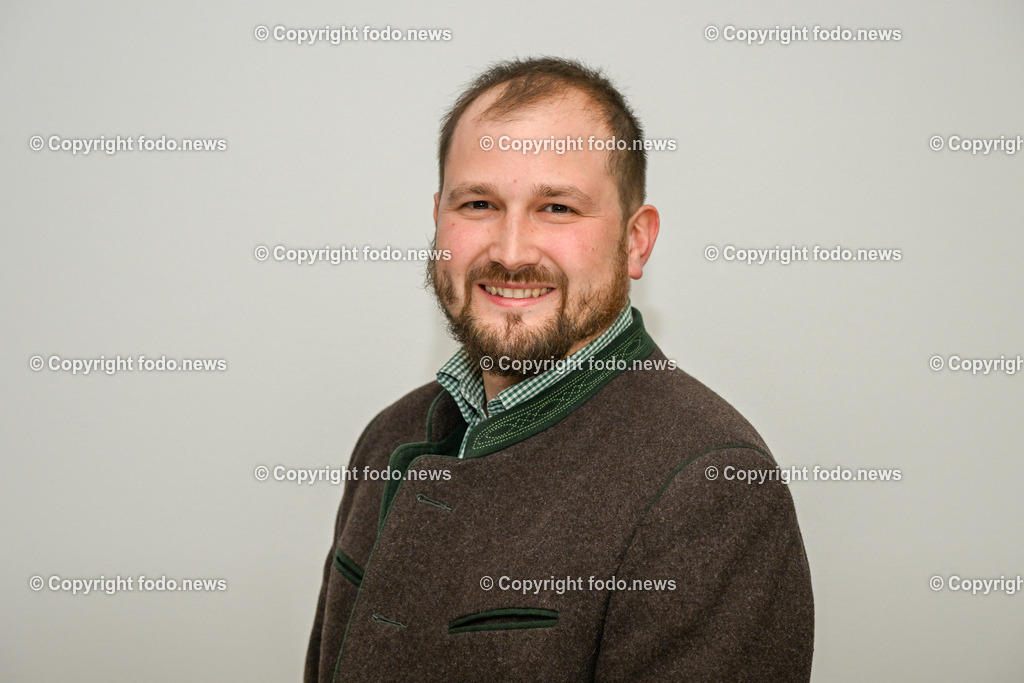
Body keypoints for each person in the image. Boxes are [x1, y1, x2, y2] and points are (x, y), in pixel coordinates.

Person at [305, 56, 813, 682]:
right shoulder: (387, 435)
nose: (511, 252)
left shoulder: (712, 486)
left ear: (636, 241)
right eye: (479, 203)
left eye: (558, 209)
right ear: (438, 219)